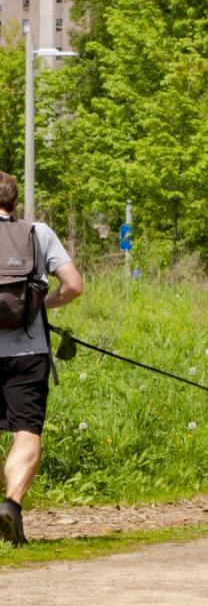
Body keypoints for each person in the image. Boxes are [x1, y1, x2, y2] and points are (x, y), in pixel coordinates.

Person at [0, 171, 82, 546]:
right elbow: (74, 286)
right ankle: (11, 505)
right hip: (29, 352)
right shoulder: (39, 233)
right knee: (27, 432)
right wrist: (40, 308)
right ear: (14, 201)